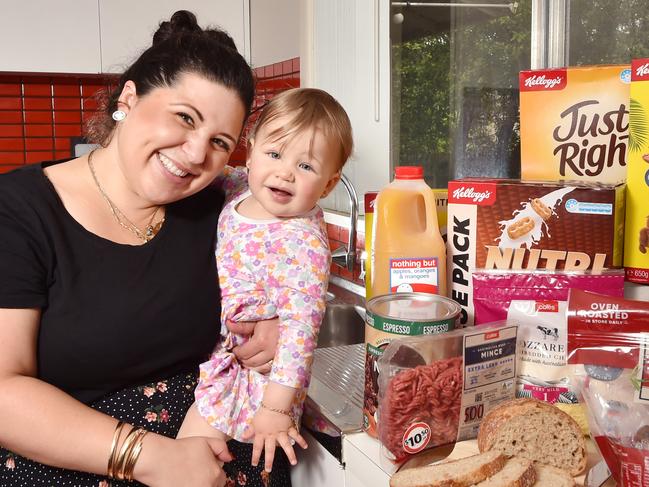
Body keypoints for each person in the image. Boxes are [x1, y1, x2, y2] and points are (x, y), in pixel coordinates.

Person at [0, 10, 280, 487]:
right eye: (183, 118)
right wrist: (152, 458)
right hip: (78, 462)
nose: (195, 154)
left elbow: (287, 252)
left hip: (210, 449)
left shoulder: (224, 210)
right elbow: (4, 390)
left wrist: (275, 320)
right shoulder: (19, 212)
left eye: (219, 141)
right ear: (129, 97)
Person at [177, 88, 353, 479]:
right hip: (225, 360)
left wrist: (275, 409)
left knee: (189, 459)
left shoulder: (301, 242)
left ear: (327, 184)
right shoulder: (242, 186)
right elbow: (219, 174)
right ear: (251, 151)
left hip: (255, 382)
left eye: (306, 167)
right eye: (274, 155)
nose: (285, 172)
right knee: (189, 463)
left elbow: (299, 331)